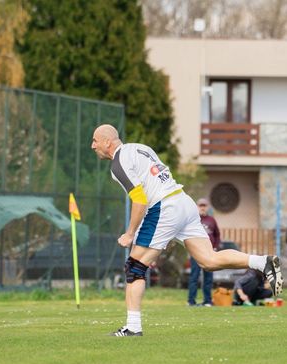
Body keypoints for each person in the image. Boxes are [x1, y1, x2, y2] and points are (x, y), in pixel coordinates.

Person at [90, 124, 282, 337]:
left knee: (134, 267)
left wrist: (129, 233)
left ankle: (133, 327)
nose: (93, 145)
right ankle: (261, 262)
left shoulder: (118, 164)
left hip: (164, 207)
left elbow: (140, 199)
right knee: (209, 260)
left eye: (95, 141)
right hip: (183, 202)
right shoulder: (139, 147)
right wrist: (168, 230)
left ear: (107, 142)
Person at [187, 197, 220, 306]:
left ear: (207, 207)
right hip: (195, 252)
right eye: (200, 205)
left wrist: (215, 247)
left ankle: (207, 301)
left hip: (209, 253)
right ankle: (191, 301)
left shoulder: (212, 220)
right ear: (197, 207)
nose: (202, 208)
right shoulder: (193, 219)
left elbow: (217, 235)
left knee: (208, 278)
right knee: (194, 277)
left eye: (204, 206)